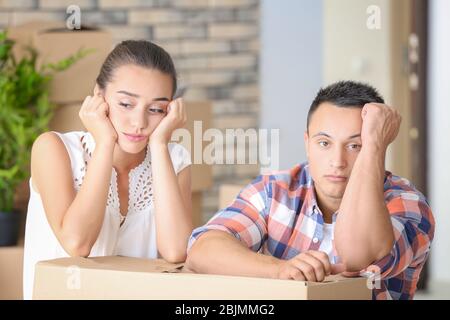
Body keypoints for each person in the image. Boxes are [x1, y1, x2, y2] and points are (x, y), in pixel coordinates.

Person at [186, 81, 435, 300]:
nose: (337, 161)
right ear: (307, 143)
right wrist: (279, 269)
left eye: (355, 145)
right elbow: (203, 250)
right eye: (324, 143)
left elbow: (358, 255)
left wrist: (374, 146)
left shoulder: (409, 204)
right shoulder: (274, 190)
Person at [23, 40, 193, 299]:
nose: (139, 123)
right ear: (99, 96)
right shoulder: (53, 149)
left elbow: (176, 251)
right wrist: (104, 142)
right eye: (126, 104)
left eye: (156, 109)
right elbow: (77, 243)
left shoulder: (175, 160)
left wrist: (159, 145)